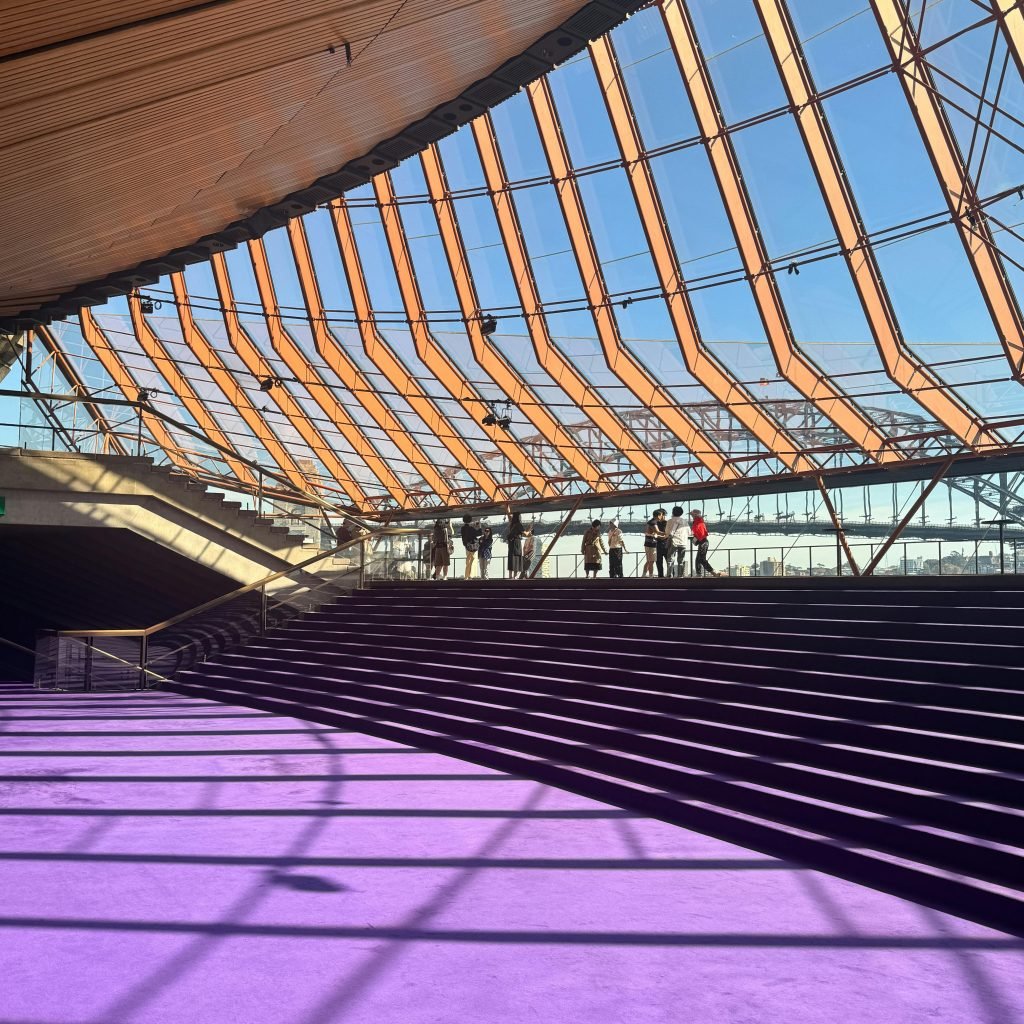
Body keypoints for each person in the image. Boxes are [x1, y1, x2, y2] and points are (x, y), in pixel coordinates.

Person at [690, 508, 719, 578]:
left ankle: (712, 572)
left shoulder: (699, 520)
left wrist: (695, 514)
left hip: (703, 542)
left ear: (696, 515)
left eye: (693, 515)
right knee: (699, 559)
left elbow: (699, 518)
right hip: (702, 542)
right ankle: (700, 573)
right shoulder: (696, 522)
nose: (691, 516)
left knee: (701, 559)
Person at [664, 506, 687, 578]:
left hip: (674, 542)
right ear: (681, 513)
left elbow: (667, 532)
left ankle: (669, 575)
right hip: (683, 542)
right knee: (681, 559)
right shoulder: (685, 521)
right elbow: (689, 532)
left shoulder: (670, 521)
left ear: (673, 512)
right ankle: (680, 575)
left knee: (670, 559)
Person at [460, 514, 481, 580]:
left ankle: (467, 575)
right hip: (472, 546)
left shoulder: (463, 528)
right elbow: (479, 533)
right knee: (472, 560)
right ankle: (469, 575)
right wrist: (479, 527)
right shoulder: (471, 528)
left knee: (468, 560)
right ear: (470, 520)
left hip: (466, 546)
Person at [506, 511, 525, 579]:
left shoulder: (512, 524)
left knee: (511, 558)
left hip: (511, 544)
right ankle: (515, 576)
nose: (521, 517)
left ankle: (510, 576)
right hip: (516, 543)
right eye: (520, 516)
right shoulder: (519, 524)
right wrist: (530, 529)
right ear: (518, 517)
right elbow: (525, 534)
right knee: (517, 557)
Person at [652, 508, 668, 578]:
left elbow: (669, 534)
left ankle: (670, 575)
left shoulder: (667, 523)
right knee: (658, 562)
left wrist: (661, 536)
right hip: (658, 544)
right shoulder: (655, 523)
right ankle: (660, 576)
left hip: (666, 544)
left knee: (669, 561)